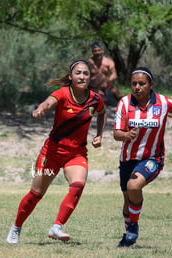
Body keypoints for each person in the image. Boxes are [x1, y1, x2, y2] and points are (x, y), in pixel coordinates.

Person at [6, 60, 107, 244]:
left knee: (78, 185)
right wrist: (40, 109)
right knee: (36, 194)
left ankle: (57, 227)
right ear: (70, 76)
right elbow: (48, 102)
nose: (82, 76)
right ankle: (16, 227)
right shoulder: (62, 93)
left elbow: (102, 113)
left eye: (86, 73)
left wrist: (99, 135)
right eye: (78, 73)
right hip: (51, 153)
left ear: (89, 77)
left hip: (76, 154)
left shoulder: (95, 99)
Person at [113, 67, 172, 247]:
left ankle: (133, 227)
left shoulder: (164, 103)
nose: (137, 87)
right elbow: (116, 133)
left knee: (134, 185)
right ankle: (129, 235)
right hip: (127, 159)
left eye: (141, 84)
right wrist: (126, 135)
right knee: (128, 198)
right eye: (133, 84)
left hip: (153, 158)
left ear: (150, 84)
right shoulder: (124, 103)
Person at [87, 42, 124, 106]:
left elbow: (114, 75)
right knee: (100, 96)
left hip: (106, 86)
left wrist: (107, 82)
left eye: (99, 50)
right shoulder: (88, 63)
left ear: (102, 51)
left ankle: (128, 105)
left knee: (117, 93)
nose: (97, 52)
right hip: (93, 87)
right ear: (92, 52)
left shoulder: (108, 61)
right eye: (95, 51)